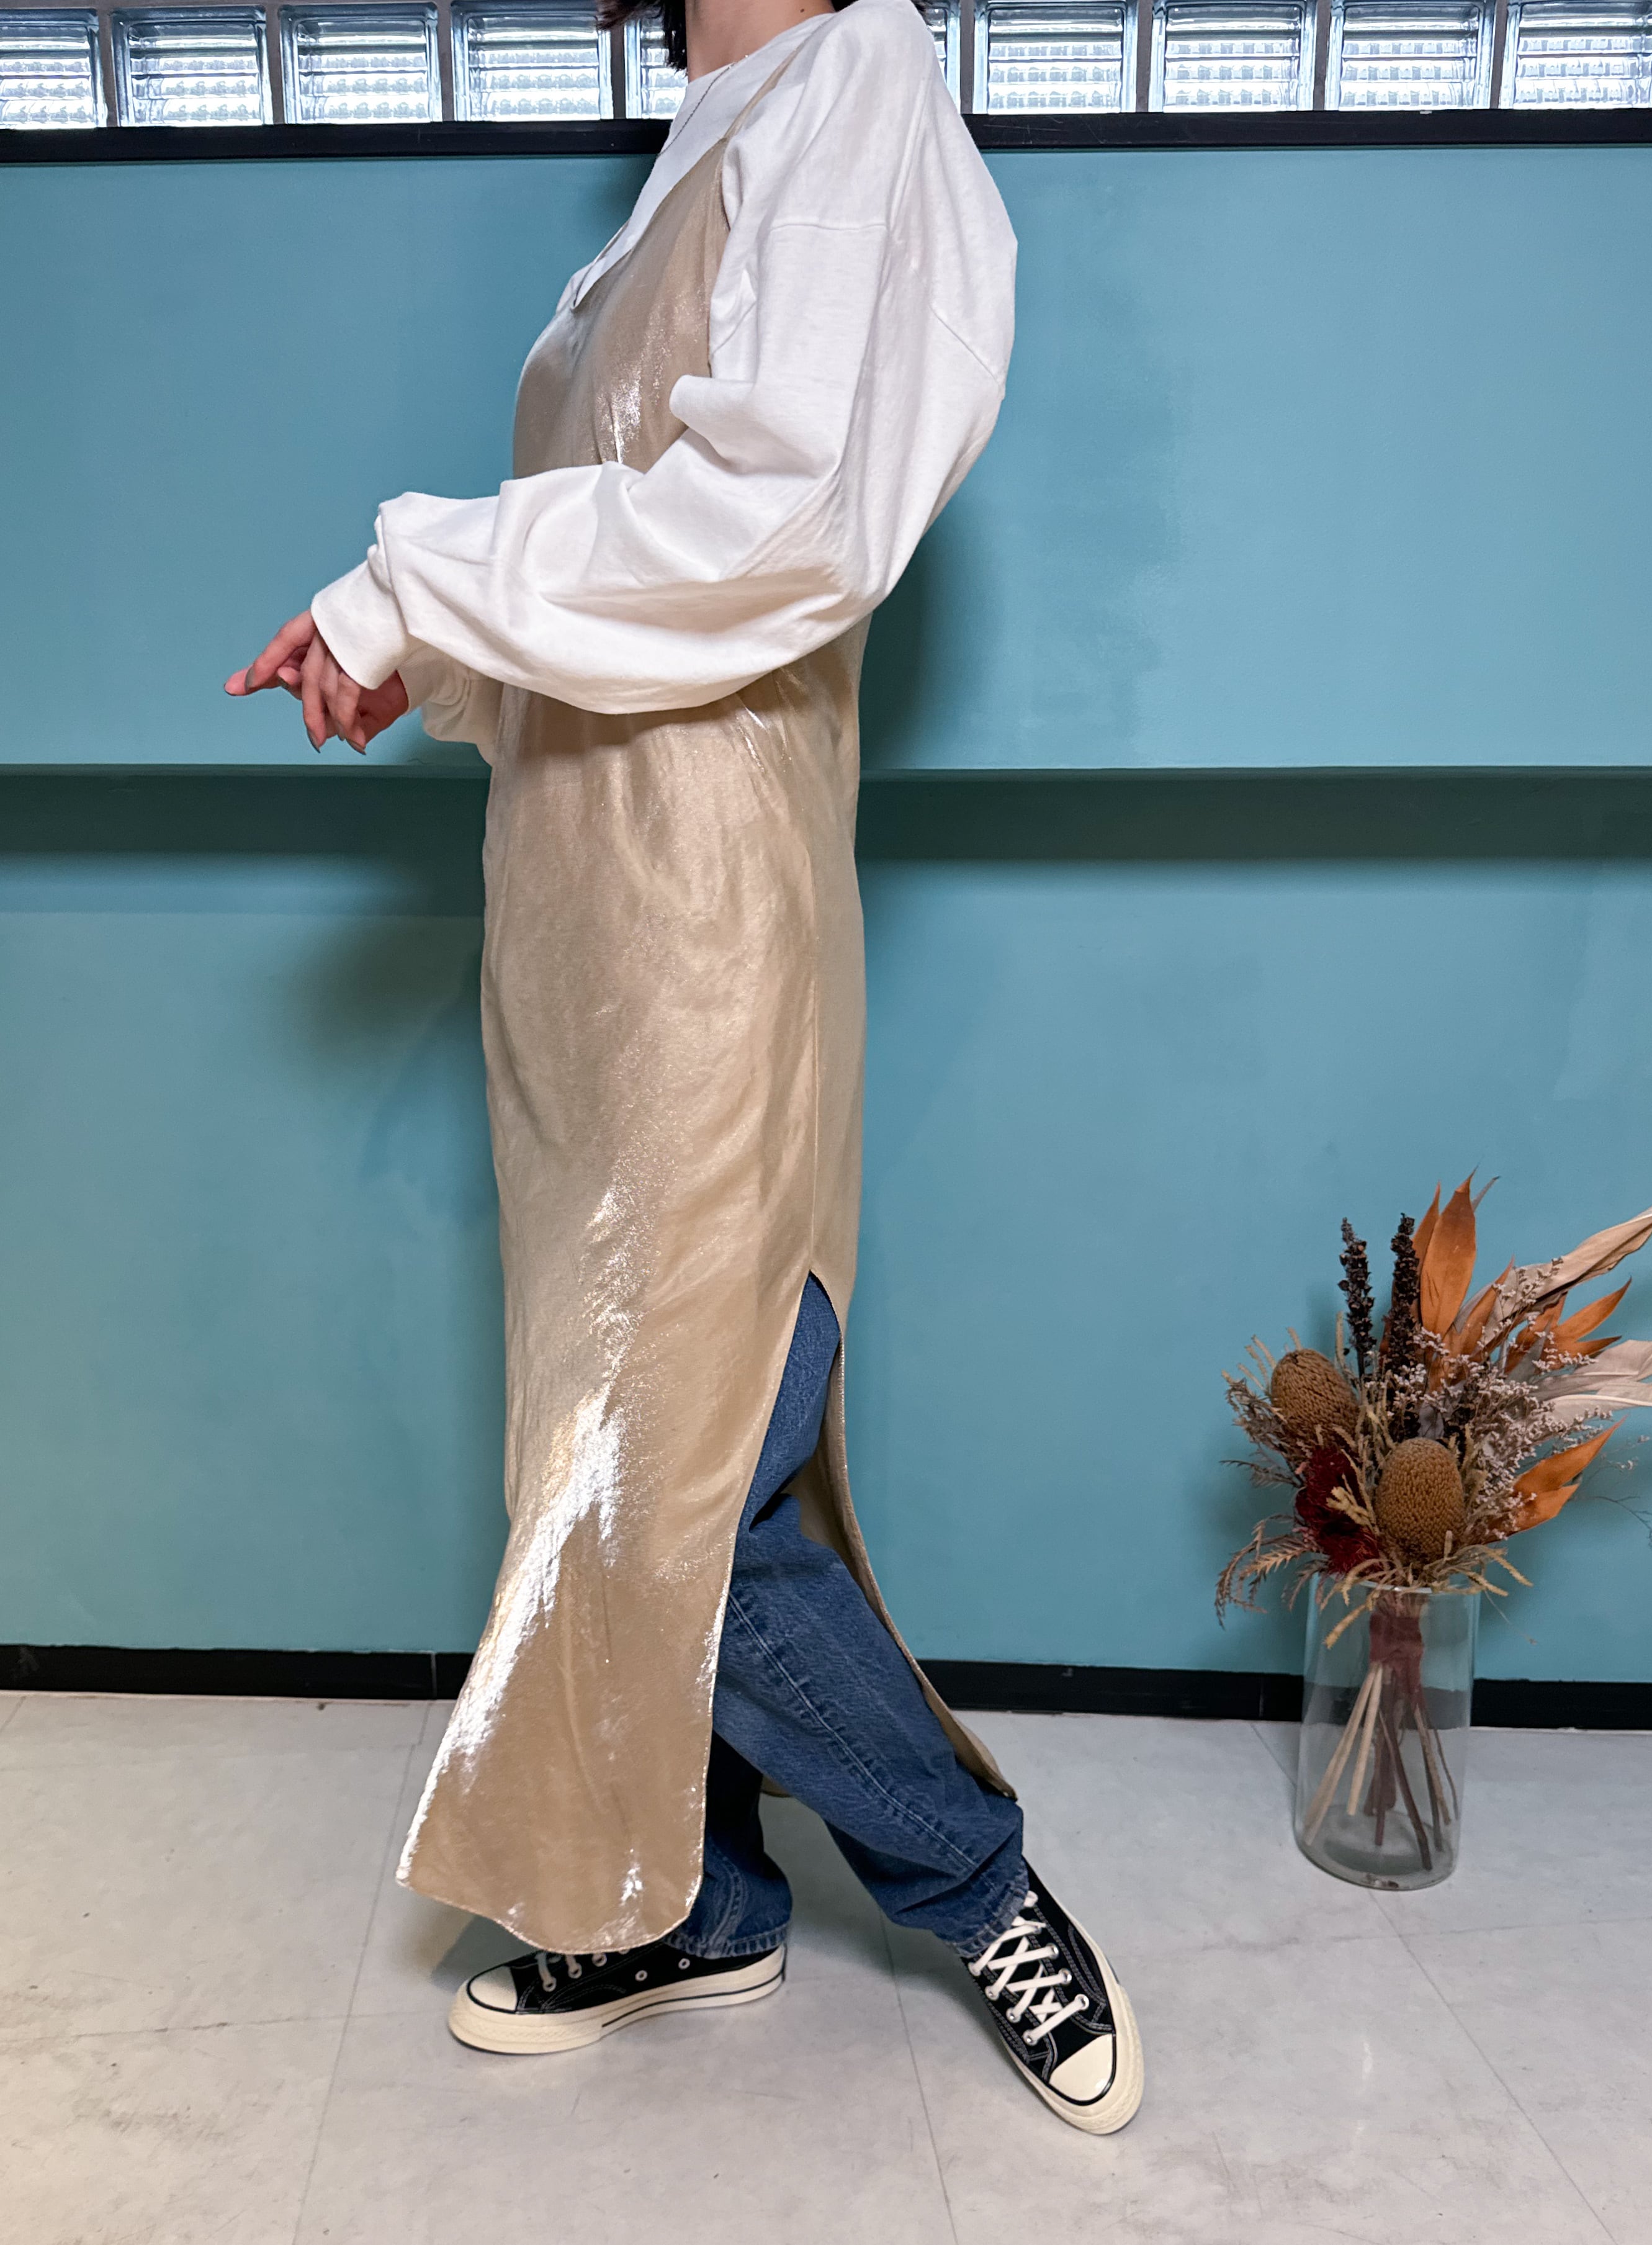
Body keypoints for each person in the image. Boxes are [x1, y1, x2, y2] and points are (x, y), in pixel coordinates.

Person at [227, 0, 1142, 2135]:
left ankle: (975, 1882)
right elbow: (618, 567)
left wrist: (409, 576)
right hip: (571, 909)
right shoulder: (682, 165)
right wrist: (427, 645)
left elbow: (783, 520)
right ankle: (700, 1902)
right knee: (615, 1427)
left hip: (706, 905)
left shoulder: (858, 77)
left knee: (679, 1475)